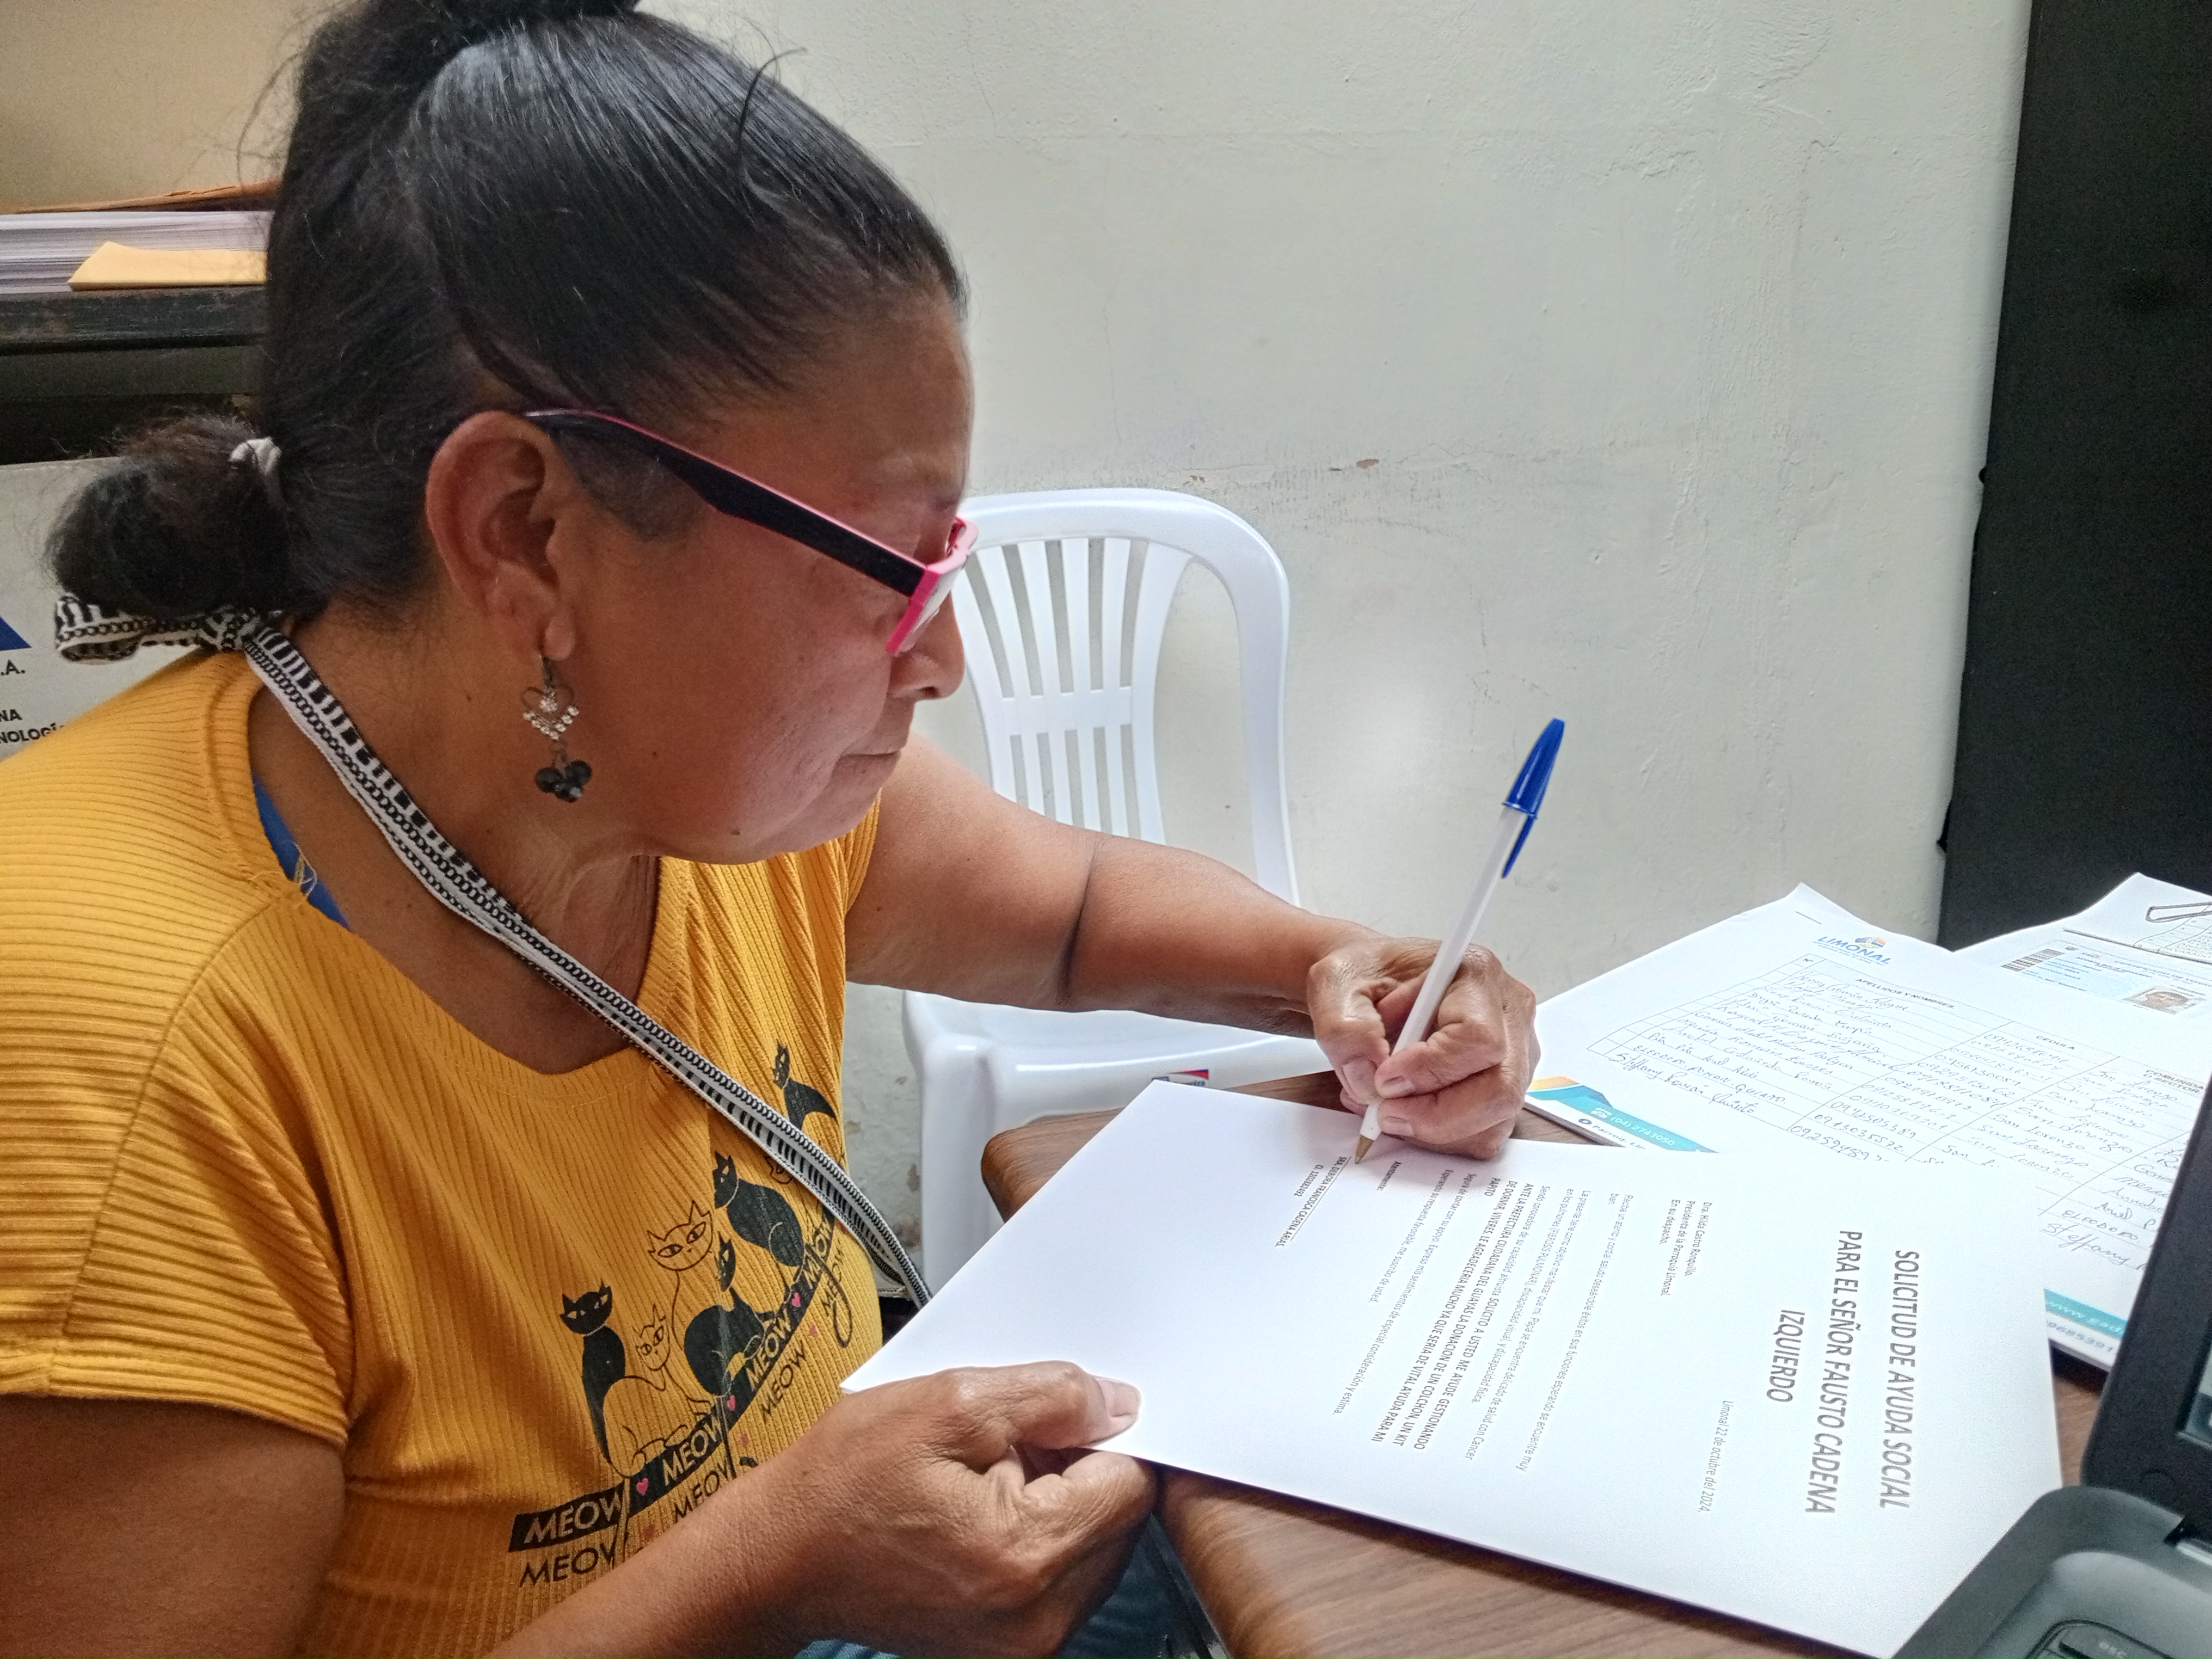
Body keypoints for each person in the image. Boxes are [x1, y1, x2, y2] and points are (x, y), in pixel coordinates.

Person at [0, 3, 1539, 1657]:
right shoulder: (113, 1057)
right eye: (894, 567)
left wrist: (1342, 969)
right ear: (526, 530)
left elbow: (1077, 911)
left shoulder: (709, 793)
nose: (942, 658)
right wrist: (778, 1563)